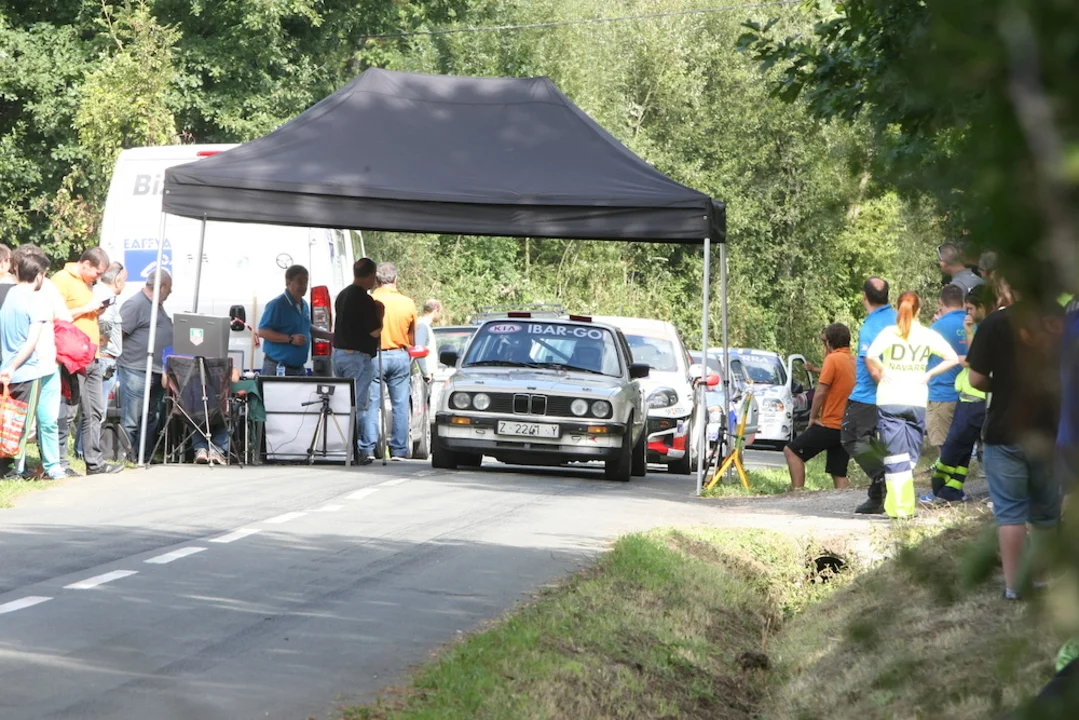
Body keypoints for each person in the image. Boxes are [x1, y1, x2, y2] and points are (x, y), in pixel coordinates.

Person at [967, 291, 1063, 600]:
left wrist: (1002, 385)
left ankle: (1015, 587)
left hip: (1004, 430)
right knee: (1046, 513)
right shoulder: (1058, 317)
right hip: (1048, 430)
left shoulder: (995, 323)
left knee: (1010, 514)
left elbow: (975, 379)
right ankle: (1043, 580)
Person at [865, 291, 960, 518]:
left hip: (890, 399)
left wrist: (884, 369)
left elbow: (870, 355)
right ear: (919, 310)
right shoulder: (927, 335)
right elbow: (953, 358)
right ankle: (902, 507)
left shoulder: (890, 333)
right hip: (916, 399)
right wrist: (929, 374)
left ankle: (900, 508)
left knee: (894, 456)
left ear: (898, 307)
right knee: (908, 456)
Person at [51, 247, 123, 475]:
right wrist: (85, 308)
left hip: (92, 355)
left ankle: (94, 463)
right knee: (68, 411)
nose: (99, 278)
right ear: (86, 264)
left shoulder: (89, 284)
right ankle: (60, 463)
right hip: (71, 356)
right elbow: (54, 315)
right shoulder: (61, 279)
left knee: (95, 411)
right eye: (97, 273)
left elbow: (85, 316)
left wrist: (97, 311)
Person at [922, 284, 994, 504]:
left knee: (952, 448)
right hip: (966, 395)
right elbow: (974, 356)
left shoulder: (989, 327)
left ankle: (939, 490)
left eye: (970, 309)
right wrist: (969, 332)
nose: (967, 313)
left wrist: (959, 359)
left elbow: (975, 360)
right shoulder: (976, 325)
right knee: (962, 449)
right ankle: (952, 491)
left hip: (975, 397)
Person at [0, 251, 66, 480]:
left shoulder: (10, 295)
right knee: (22, 423)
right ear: (39, 276)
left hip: (8, 368)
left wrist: (8, 366)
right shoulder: (35, 300)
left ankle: (11, 468)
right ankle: (15, 471)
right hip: (27, 370)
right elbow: (31, 342)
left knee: (9, 419)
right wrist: (14, 366)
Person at [847, 277, 898, 514]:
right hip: (898, 392)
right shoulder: (899, 319)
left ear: (864, 297)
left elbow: (872, 365)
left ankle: (884, 479)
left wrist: (886, 388)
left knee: (851, 437)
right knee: (879, 443)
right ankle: (877, 495)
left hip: (869, 395)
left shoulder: (870, 327)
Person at [785, 323, 856, 489]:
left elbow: (820, 392)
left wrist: (812, 417)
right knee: (838, 472)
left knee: (792, 451)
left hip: (829, 424)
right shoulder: (855, 361)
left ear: (830, 342)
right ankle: (844, 501)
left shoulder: (832, 359)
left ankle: (798, 493)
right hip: (847, 426)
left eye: (824, 341)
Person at [118, 270, 174, 461]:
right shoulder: (135, 304)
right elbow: (118, 334)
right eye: (169, 289)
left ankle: (144, 455)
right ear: (161, 287)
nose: (170, 293)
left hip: (156, 370)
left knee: (151, 417)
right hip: (136, 369)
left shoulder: (157, 306)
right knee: (132, 417)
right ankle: (126, 456)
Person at [364, 262, 416, 461]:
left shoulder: (369, 300)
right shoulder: (408, 303)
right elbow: (412, 338)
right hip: (399, 354)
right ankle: (399, 450)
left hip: (375, 354)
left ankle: (368, 448)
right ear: (396, 279)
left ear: (377, 280)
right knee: (400, 404)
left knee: (372, 403)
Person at [332, 258, 382, 465]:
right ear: (370, 275)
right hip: (357, 357)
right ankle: (357, 449)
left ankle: (340, 446)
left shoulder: (342, 295)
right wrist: (380, 314)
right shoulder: (364, 299)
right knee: (358, 404)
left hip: (339, 353)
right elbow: (375, 331)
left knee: (343, 402)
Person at [75, 261, 126, 459]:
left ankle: (82, 451)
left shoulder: (98, 292)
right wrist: (102, 340)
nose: (124, 285)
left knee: (92, 411)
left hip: (102, 359)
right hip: (103, 359)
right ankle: (86, 452)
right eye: (124, 280)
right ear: (117, 280)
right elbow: (103, 321)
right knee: (96, 412)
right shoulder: (106, 297)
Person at [257, 264, 333, 376]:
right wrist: (290, 339)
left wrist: (330, 336)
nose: (304, 286)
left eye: (306, 282)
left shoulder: (304, 305)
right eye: (300, 282)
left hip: (299, 369)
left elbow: (307, 327)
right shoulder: (277, 304)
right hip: (278, 368)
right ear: (288, 282)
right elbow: (263, 332)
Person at [925, 284, 969, 463]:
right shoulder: (973, 324)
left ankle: (946, 479)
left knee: (944, 446)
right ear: (963, 302)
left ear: (940, 302)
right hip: (971, 395)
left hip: (942, 394)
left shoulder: (936, 328)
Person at [414, 299, 442, 379]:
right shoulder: (422, 326)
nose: (439, 315)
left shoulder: (424, 325)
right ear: (435, 311)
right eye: (439, 312)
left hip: (425, 374)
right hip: (423, 376)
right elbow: (418, 350)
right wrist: (425, 373)